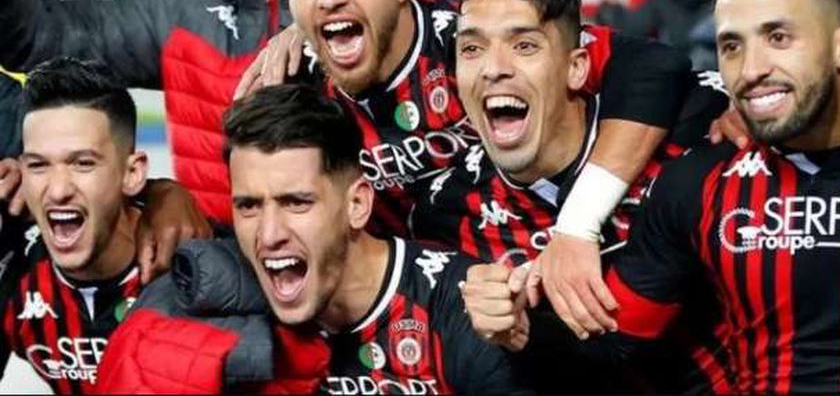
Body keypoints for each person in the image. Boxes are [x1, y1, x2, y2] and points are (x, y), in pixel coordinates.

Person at [236, 0, 701, 339]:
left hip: (594, 258)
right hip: (461, 297)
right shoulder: (294, 87)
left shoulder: (471, 38)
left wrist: (577, 224)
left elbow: (654, 68)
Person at [468, 0, 840, 393]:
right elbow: (616, 346)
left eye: (778, 38)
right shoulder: (699, 180)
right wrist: (519, 326)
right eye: (731, 46)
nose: (751, 69)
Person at [410, 0, 734, 393]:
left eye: (524, 45)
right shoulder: (447, 215)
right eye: (472, 49)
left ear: (577, 67)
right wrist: (508, 328)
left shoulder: (696, 124)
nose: (493, 68)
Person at [95, 82, 527, 394]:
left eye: (296, 203)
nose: (269, 234)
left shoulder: (463, 307)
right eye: (249, 206)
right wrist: (162, 191)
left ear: (357, 204)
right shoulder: (218, 295)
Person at [0, 0, 279, 280]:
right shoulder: (196, 0)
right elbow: (39, 35)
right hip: (216, 279)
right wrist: (157, 194)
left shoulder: (320, 22)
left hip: (313, 286)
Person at [0, 58, 150, 394]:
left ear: (133, 173)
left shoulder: (189, 271)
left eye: (83, 163)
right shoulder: (16, 274)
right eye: (38, 165)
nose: (58, 190)